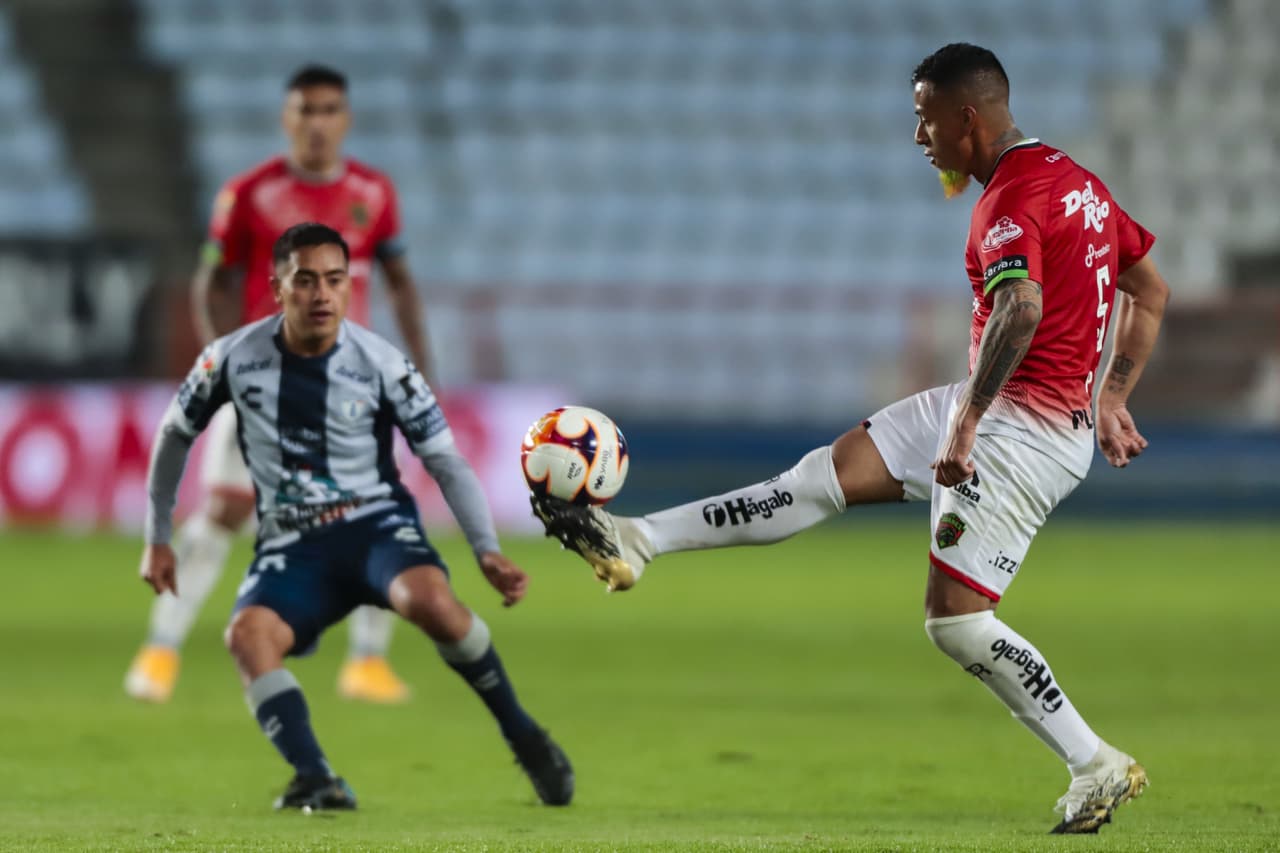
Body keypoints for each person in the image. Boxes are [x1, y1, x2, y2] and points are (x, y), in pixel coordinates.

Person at [532, 43, 1169, 835]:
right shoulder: (1080, 184)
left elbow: (1022, 308)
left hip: (1019, 432)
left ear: (966, 117)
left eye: (924, 118)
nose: (918, 136)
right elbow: (1149, 288)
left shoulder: (1008, 200)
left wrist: (968, 422)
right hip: (1009, 405)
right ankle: (638, 540)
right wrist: (1111, 396)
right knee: (820, 476)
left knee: (957, 622)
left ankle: (1094, 760)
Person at [137, 223, 572, 810]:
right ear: (277, 287)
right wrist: (158, 537)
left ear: (348, 286)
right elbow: (173, 436)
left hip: (375, 530)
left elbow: (444, 459)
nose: (322, 294)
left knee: (432, 602)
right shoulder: (231, 359)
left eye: (335, 280)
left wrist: (486, 548)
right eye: (305, 280)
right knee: (247, 637)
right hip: (292, 546)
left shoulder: (382, 364)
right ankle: (316, 777)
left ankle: (524, 734)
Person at [126, 65, 436, 704]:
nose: (317, 123)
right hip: (265, 383)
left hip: (350, 387)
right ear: (286, 118)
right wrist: (225, 364)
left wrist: (422, 370)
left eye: (329, 110)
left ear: (345, 119)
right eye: (305, 110)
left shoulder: (374, 193)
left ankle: (367, 663)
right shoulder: (250, 193)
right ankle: (160, 648)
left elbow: (401, 283)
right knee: (226, 510)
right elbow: (211, 281)